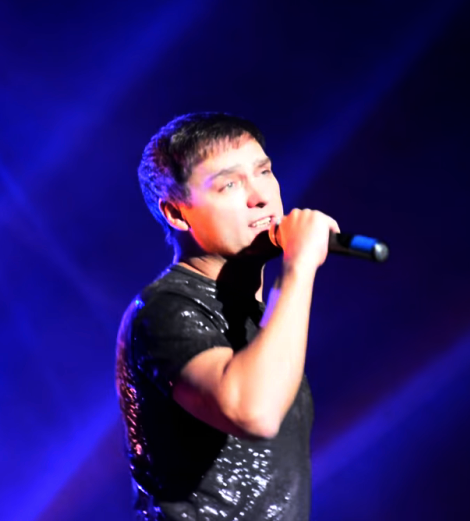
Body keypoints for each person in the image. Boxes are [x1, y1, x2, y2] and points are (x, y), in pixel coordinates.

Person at [116, 112, 339, 520]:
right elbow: (253, 411)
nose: (260, 197)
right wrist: (299, 267)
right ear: (177, 213)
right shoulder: (164, 308)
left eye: (264, 172)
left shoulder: (259, 316)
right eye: (230, 184)